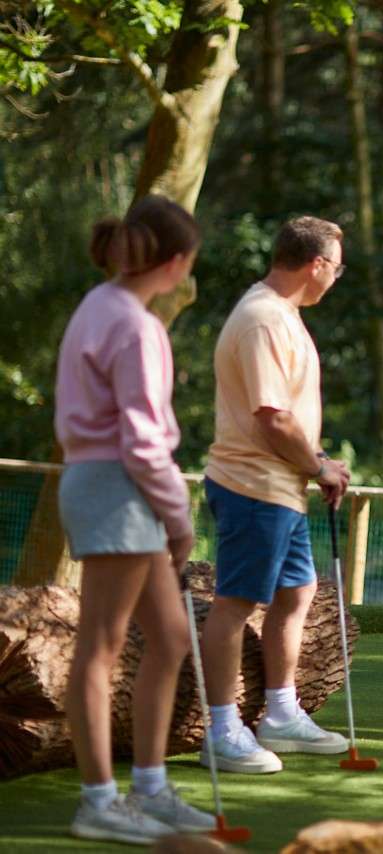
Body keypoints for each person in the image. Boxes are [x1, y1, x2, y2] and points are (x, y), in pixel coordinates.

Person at [55, 195, 217, 844]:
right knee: (99, 646)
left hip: (109, 485)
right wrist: (179, 520)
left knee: (172, 635)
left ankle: (149, 787)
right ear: (176, 262)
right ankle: (99, 800)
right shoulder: (137, 326)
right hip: (117, 488)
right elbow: (144, 442)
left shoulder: (103, 305)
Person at [198, 216, 352, 774]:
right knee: (236, 604)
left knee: (297, 593)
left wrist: (316, 466)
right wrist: (318, 467)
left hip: (282, 486)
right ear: (316, 265)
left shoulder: (281, 314)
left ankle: (281, 714)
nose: (335, 279)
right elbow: (271, 417)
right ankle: (221, 728)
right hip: (251, 486)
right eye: (335, 268)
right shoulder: (263, 317)